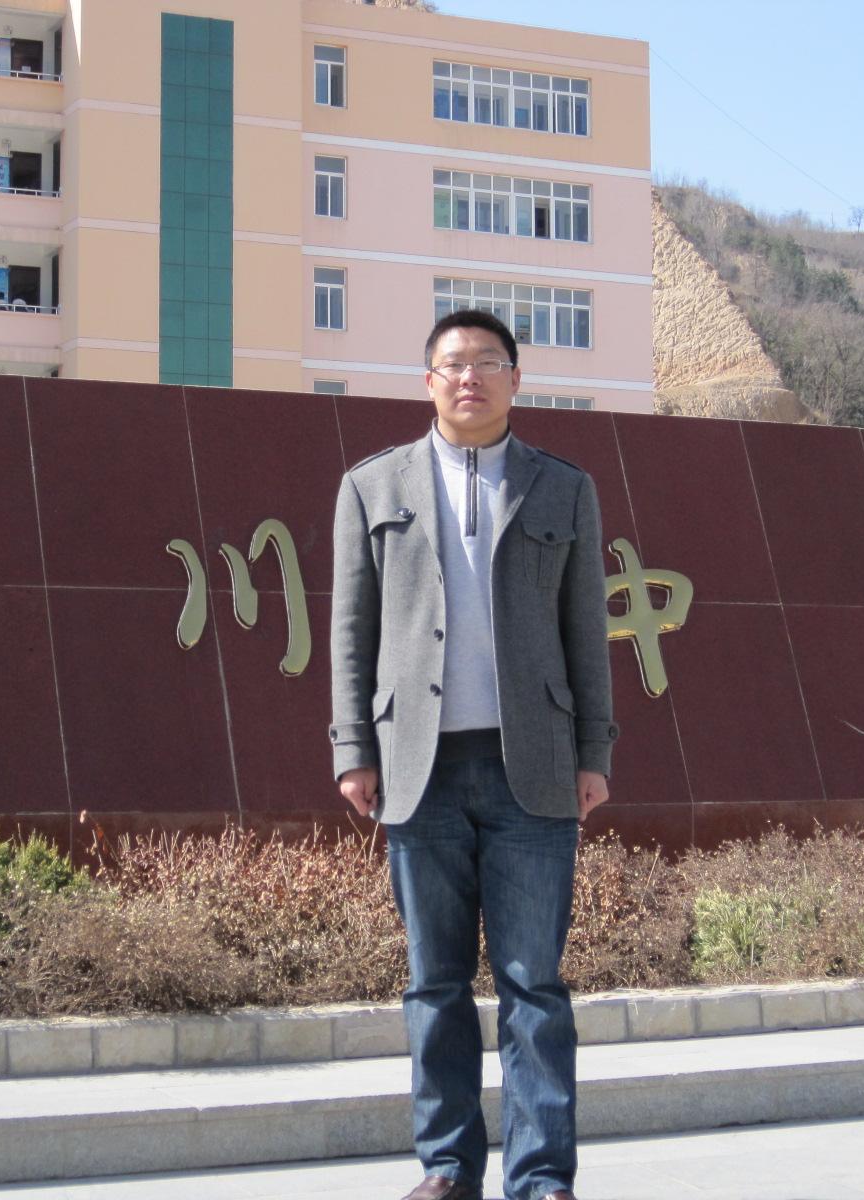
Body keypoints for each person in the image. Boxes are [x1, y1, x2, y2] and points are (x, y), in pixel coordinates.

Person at [329, 309, 618, 1200]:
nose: (470, 377)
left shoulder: (562, 488)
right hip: (418, 769)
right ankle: (448, 1168)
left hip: (534, 766)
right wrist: (353, 747)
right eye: (453, 364)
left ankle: (541, 1177)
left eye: (488, 362)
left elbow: (586, 632)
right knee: (435, 983)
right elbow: (351, 630)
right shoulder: (372, 486)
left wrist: (594, 751)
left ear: (515, 380)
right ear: (429, 381)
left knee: (536, 985)